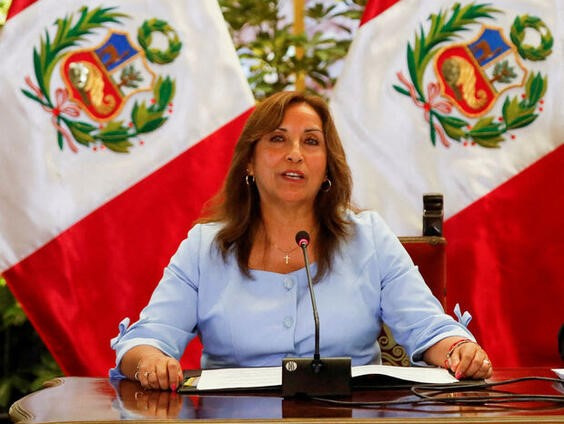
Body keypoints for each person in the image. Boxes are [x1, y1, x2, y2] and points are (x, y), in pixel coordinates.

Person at [111, 91, 492, 391]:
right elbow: (147, 340)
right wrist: (150, 362)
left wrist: (459, 351)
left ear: (327, 163)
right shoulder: (204, 247)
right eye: (278, 139)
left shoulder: (369, 238)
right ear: (249, 160)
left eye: (311, 142)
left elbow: (430, 330)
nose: (295, 154)